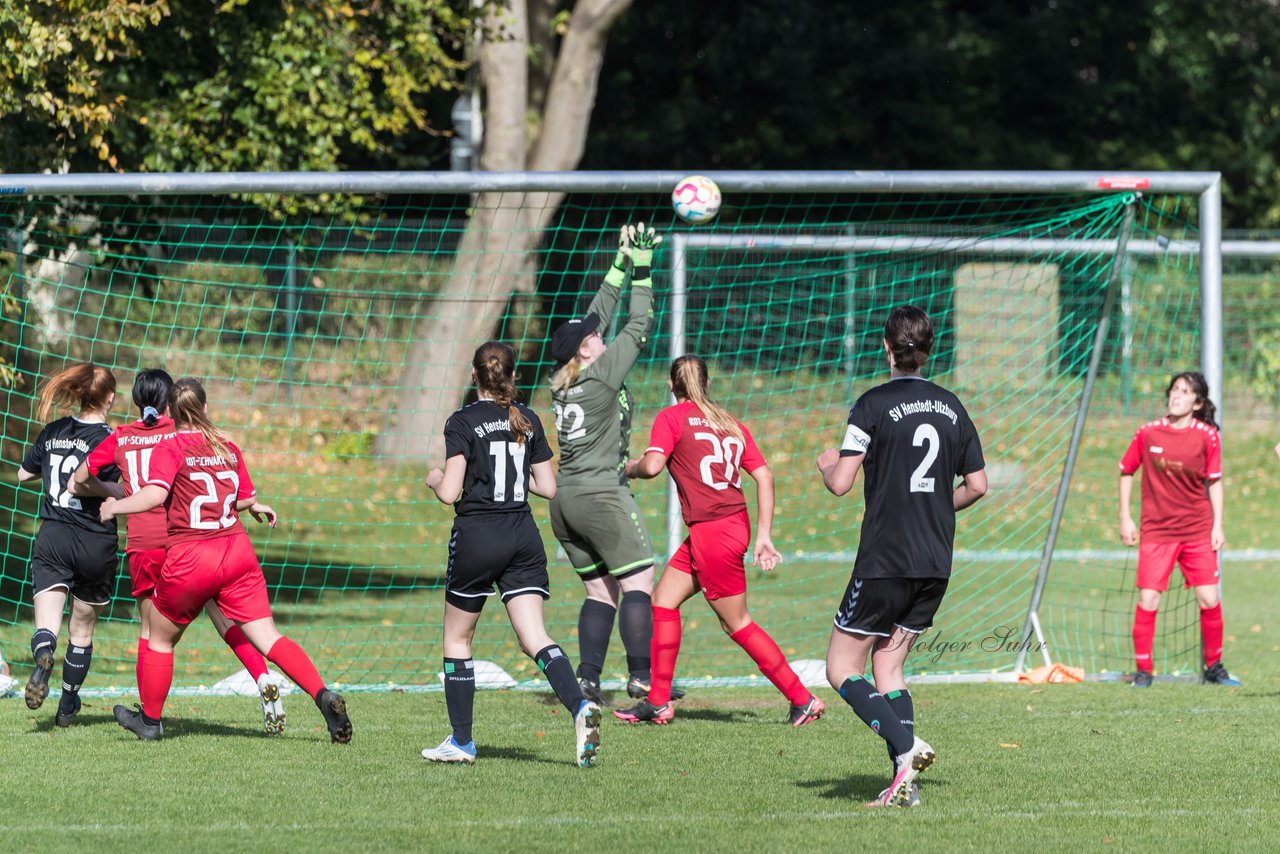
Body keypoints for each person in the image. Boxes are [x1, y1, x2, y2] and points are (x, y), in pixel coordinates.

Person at [99, 377, 351, 743]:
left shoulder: (171, 447)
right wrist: (256, 505)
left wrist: (115, 506)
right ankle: (322, 694)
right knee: (269, 637)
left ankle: (150, 722)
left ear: (171, 412)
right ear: (204, 408)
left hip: (191, 556)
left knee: (158, 635)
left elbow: (154, 493)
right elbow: (236, 495)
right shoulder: (227, 446)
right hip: (236, 552)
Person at [817, 305, 987, 808]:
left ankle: (906, 746)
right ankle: (903, 781)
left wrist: (827, 465)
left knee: (841, 669)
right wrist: (935, 504)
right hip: (935, 561)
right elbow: (977, 485)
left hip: (886, 558)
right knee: (889, 667)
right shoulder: (953, 407)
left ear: (886, 347)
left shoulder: (870, 404)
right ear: (929, 350)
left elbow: (843, 483)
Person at [614, 355, 825, 727]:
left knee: (737, 623)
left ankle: (802, 698)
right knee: (663, 601)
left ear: (670, 385)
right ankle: (659, 701)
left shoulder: (671, 417)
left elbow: (650, 466)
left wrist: (627, 467)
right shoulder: (729, 422)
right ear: (707, 384)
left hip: (714, 531)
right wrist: (762, 536)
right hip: (725, 527)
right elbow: (765, 476)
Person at [72, 368, 286, 733]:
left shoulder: (122, 436)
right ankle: (261, 673)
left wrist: (113, 494)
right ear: (171, 402)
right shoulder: (180, 432)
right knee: (223, 618)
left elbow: (79, 479)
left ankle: (147, 713)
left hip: (144, 542)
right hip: (189, 537)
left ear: (137, 400)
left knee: (150, 632)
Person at [421, 340, 602, 767]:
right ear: (513, 376)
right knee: (533, 638)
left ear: (474, 375)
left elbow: (450, 492)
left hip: (479, 535)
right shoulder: (529, 418)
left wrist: (433, 478)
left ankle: (462, 742)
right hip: (523, 537)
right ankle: (579, 706)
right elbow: (549, 487)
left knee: (457, 638)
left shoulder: (463, 421)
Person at [548, 222, 682, 705]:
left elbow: (594, 318)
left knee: (600, 593)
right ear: (587, 350)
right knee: (639, 583)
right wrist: (644, 269)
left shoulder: (562, 378)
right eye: (592, 337)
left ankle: (586, 680)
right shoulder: (603, 373)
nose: (598, 335)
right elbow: (638, 325)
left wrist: (620, 262)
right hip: (603, 495)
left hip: (565, 501)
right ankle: (643, 678)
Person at [16, 363, 121, 726]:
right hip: (95, 538)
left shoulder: (54, 430)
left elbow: (22, 473)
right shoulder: (112, 438)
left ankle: (44, 652)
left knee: (48, 624)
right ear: (109, 397)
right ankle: (67, 706)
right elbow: (116, 484)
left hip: (54, 535)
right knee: (82, 631)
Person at [1119, 371, 1236, 688]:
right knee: (1149, 600)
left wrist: (1218, 525)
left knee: (1210, 599)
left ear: (1197, 403)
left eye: (1184, 392)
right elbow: (1126, 471)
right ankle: (1143, 671)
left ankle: (1214, 667)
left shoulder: (1207, 436)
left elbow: (1214, 482)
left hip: (1197, 530)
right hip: (1156, 533)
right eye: (1174, 389)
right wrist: (1125, 517)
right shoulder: (1148, 432)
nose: (1176, 395)